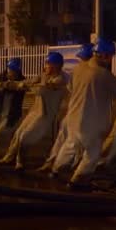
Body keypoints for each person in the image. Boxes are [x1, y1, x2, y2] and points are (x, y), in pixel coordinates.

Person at [52, 39, 116, 189]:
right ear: (105, 56)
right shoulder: (103, 75)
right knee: (93, 152)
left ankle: (55, 170)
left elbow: (70, 88)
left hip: (74, 117)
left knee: (70, 144)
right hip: (92, 121)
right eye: (111, 57)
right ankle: (77, 180)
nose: (110, 60)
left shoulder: (78, 69)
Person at [0, 52, 68, 171]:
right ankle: (8, 158)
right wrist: (8, 84)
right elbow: (29, 82)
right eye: (46, 63)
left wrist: (25, 87)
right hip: (35, 111)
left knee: (25, 136)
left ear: (57, 66)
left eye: (48, 64)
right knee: (18, 134)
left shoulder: (61, 79)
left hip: (46, 115)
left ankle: (20, 161)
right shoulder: (44, 75)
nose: (45, 66)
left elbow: (42, 89)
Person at [38, 43, 94, 172]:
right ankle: (53, 162)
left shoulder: (92, 74)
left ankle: (70, 165)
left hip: (86, 112)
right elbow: (70, 92)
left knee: (79, 141)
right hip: (75, 111)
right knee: (64, 136)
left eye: (83, 59)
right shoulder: (78, 73)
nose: (81, 61)